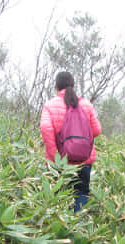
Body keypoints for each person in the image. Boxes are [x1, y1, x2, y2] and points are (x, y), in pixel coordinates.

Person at [40, 71, 102, 212]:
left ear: (56, 87)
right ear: (73, 86)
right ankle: (78, 228)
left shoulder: (50, 105)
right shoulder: (86, 104)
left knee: (58, 195)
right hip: (84, 160)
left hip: (59, 162)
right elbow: (97, 130)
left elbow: (45, 128)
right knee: (81, 192)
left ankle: (61, 229)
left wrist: (54, 154)